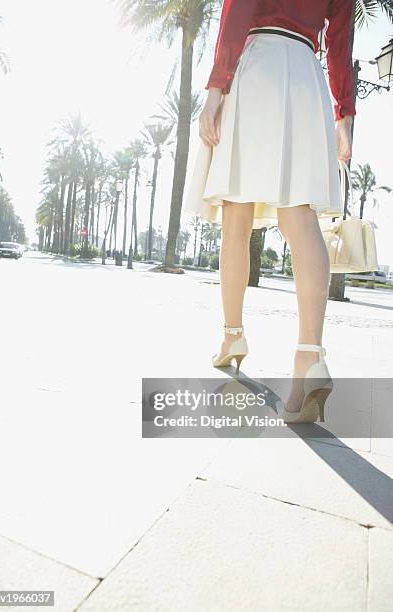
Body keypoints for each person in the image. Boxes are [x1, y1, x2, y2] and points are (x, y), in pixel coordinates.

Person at [183, 0, 355, 422]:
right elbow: (340, 39)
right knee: (300, 216)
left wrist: (216, 89)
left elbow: (237, 11)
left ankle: (232, 337)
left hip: (258, 65)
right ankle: (310, 358)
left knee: (236, 217)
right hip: (305, 71)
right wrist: (344, 113)